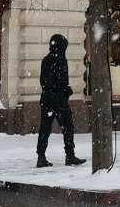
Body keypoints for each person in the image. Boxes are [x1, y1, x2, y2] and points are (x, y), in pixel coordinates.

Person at [35, 34, 84, 168]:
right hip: (59, 101)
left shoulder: (46, 60)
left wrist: (50, 91)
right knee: (67, 127)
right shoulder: (61, 60)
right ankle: (70, 155)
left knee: (45, 128)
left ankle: (41, 156)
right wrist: (67, 91)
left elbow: (43, 81)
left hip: (46, 100)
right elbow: (62, 82)